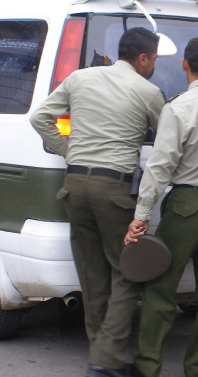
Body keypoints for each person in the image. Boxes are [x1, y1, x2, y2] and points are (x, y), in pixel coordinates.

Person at [30, 27, 165, 377]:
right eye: (153, 60)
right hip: (113, 190)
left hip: (74, 184)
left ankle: (101, 354)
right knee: (126, 271)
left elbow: (39, 118)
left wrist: (69, 150)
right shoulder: (147, 91)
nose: (153, 67)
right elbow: (167, 140)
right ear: (143, 58)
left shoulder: (79, 78)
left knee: (92, 275)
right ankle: (106, 359)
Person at [125, 37, 198, 377]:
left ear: (184, 65)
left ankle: (148, 365)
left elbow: (160, 167)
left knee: (160, 287)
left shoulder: (177, 107)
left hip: (187, 205)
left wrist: (141, 216)